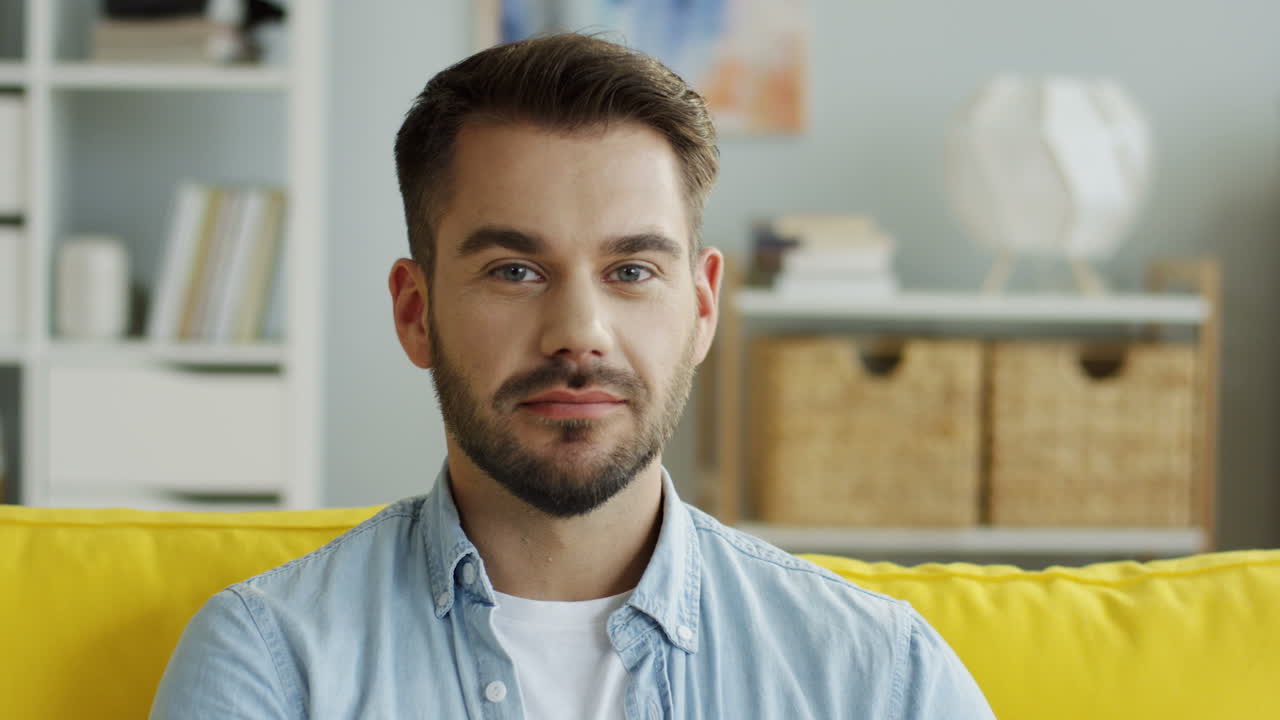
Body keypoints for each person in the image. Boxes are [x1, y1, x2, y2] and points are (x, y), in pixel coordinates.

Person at [151, 33, 995, 719]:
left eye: (631, 271)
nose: (579, 334)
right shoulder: (270, 663)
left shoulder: (878, 675)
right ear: (416, 312)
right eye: (516, 270)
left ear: (702, 308)